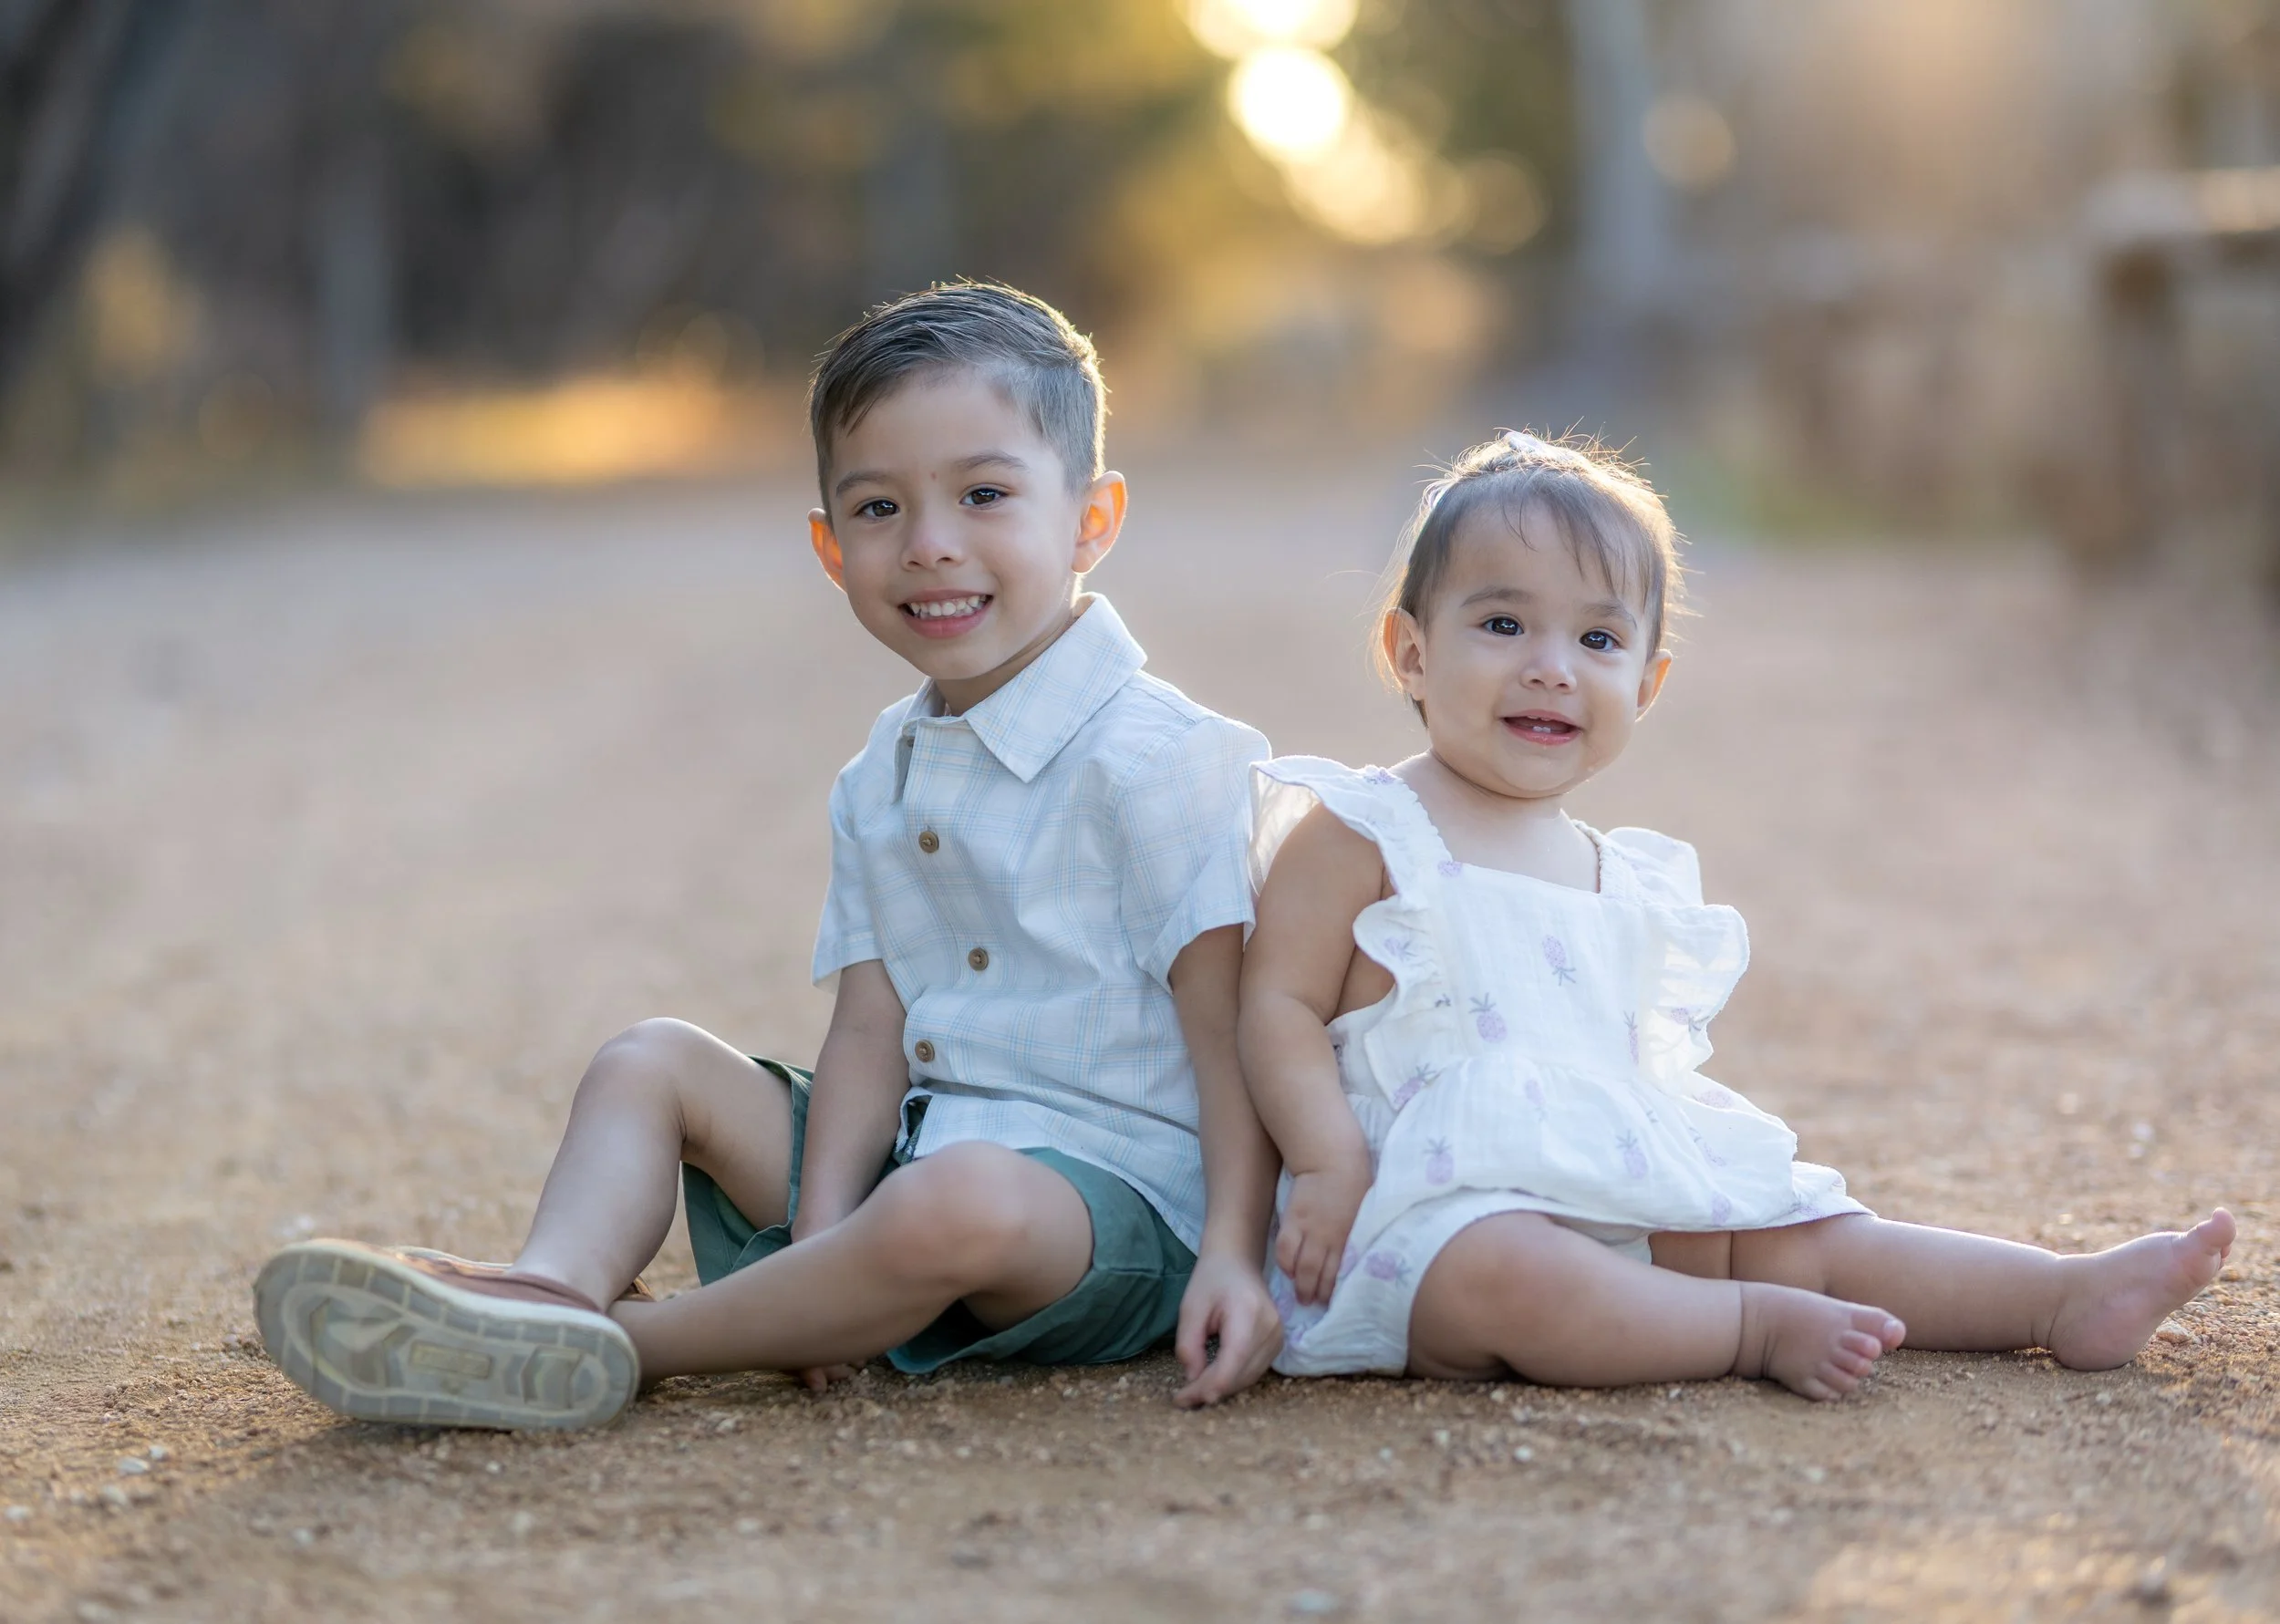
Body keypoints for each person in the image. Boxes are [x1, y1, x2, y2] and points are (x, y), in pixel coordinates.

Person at [254, 282, 1285, 1428]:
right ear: (830, 547)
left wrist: (1236, 1252)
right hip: (922, 1157)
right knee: (651, 1060)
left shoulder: (1163, 761)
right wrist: (822, 1236)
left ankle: (620, 1345)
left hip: (1110, 1213)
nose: (931, 544)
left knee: (960, 1199)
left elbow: (1234, 1040)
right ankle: (553, 1285)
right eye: (879, 508)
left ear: (1092, 518)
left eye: (985, 494)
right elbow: (868, 1024)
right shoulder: (882, 772)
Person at [1238, 429, 2234, 1399]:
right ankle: (1748, 1325)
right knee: (1504, 1272)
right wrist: (1327, 1155)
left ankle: (2056, 1294)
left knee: (1796, 1232)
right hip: (1428, 1212)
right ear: (1408, 650)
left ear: (1648, 681)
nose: (1552, 666)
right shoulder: (1364, 829)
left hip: (1615, 1184)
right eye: (1502, 625)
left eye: (1597, 639)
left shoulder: (1618, 874)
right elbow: (1277, 1000)